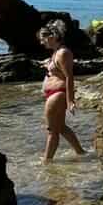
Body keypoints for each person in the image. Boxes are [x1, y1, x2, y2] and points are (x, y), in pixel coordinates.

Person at [38, 20, 85, 161]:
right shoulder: (56, 52)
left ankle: (47, 161)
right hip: (54, 94)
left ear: (52, 37)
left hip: (57, 94)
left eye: (43, 39)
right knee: (61, 127)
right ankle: (81, 152)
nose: (41, 42)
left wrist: (70, 100)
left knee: (52, 131)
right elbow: (58, 72)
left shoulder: (63, 53)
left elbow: (69, 76)